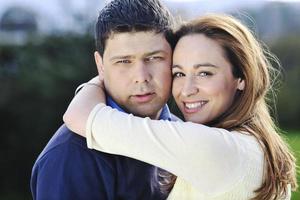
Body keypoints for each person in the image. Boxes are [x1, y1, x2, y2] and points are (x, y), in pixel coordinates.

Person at [64, 14, 297, 200]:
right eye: (179, 73)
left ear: (241, 78)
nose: (186, 90)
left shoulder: (217, 148)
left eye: (205, 73)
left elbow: (79, 116)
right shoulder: (253, 145)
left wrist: (101, 76)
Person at [30, 0, 178, 199]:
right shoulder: (71, 154)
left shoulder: (182, 133)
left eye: (153, 58)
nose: (141, 76)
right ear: (100, 65)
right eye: (124, 61)